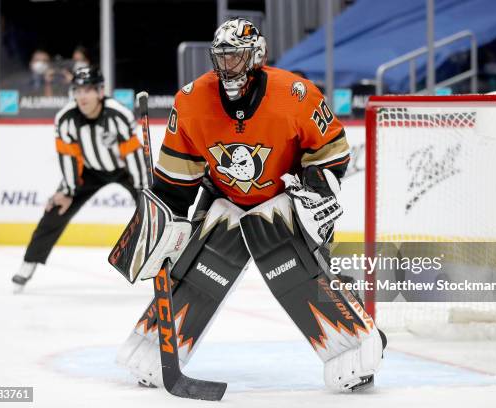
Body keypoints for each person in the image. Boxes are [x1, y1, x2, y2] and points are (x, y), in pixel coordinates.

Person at [113, 18, 386, 392]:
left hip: (284, 199)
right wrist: (165, 227)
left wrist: (312, 189)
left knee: (287, 256)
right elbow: (175, 180)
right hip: (222, 197)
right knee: (202, 263)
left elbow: (333, 153)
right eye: (221, 58)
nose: (228, 66)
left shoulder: (296, 94)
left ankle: (354, 347)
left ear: (256, 56)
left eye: (236, 57)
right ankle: (156, 350)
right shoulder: (191, 100)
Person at [12, 66, 147, 292]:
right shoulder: (65, 119)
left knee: (151, 212)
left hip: (126, 170)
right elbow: (68, 156)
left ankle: (164, 264)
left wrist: (144, 190)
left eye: (88, 90)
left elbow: (133, 155)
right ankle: (29, 263)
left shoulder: (118, 114)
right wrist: (67, 191)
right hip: (90, 171)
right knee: (56, 209)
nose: (82, 96)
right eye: (78, 90)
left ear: (100, 92)